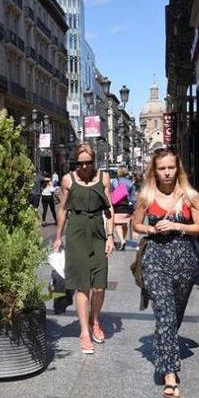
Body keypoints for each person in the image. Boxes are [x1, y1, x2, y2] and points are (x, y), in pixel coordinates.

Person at [132, 148, 199, 398]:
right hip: (155, 258)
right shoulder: (146, 195)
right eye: (161, 168)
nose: (166, 172)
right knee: (164, 312)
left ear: (178, 168)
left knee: (173, 317)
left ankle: (164, 344)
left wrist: (175, 225)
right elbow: (136, 224)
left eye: (170, 168)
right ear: (154, 170)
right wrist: (152, 230)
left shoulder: (190, 195)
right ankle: (170, 375)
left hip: (183, 259)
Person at [53, 143, 115, 354]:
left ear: (94, 161)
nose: (85, 167)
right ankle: (84, 333)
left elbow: (109, 208)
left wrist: (110, 236)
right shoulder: (68, 180)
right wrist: (58, 236)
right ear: (75, 162)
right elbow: (62, 209)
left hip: (98, 231)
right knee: (83, 285)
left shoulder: (104, 178)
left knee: (99, 285)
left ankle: (94, 320)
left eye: (89, 162)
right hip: (77, 232)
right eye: (81, 163)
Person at [111, 167, 137, 250]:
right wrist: (134, 205)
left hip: (117, 205)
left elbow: (111, 192)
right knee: (125, 224)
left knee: (118, 223)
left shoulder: (115, 181)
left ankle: (122, 240)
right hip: (127, 205)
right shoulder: (130, 183)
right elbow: (133, 197)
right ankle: (123, 239)